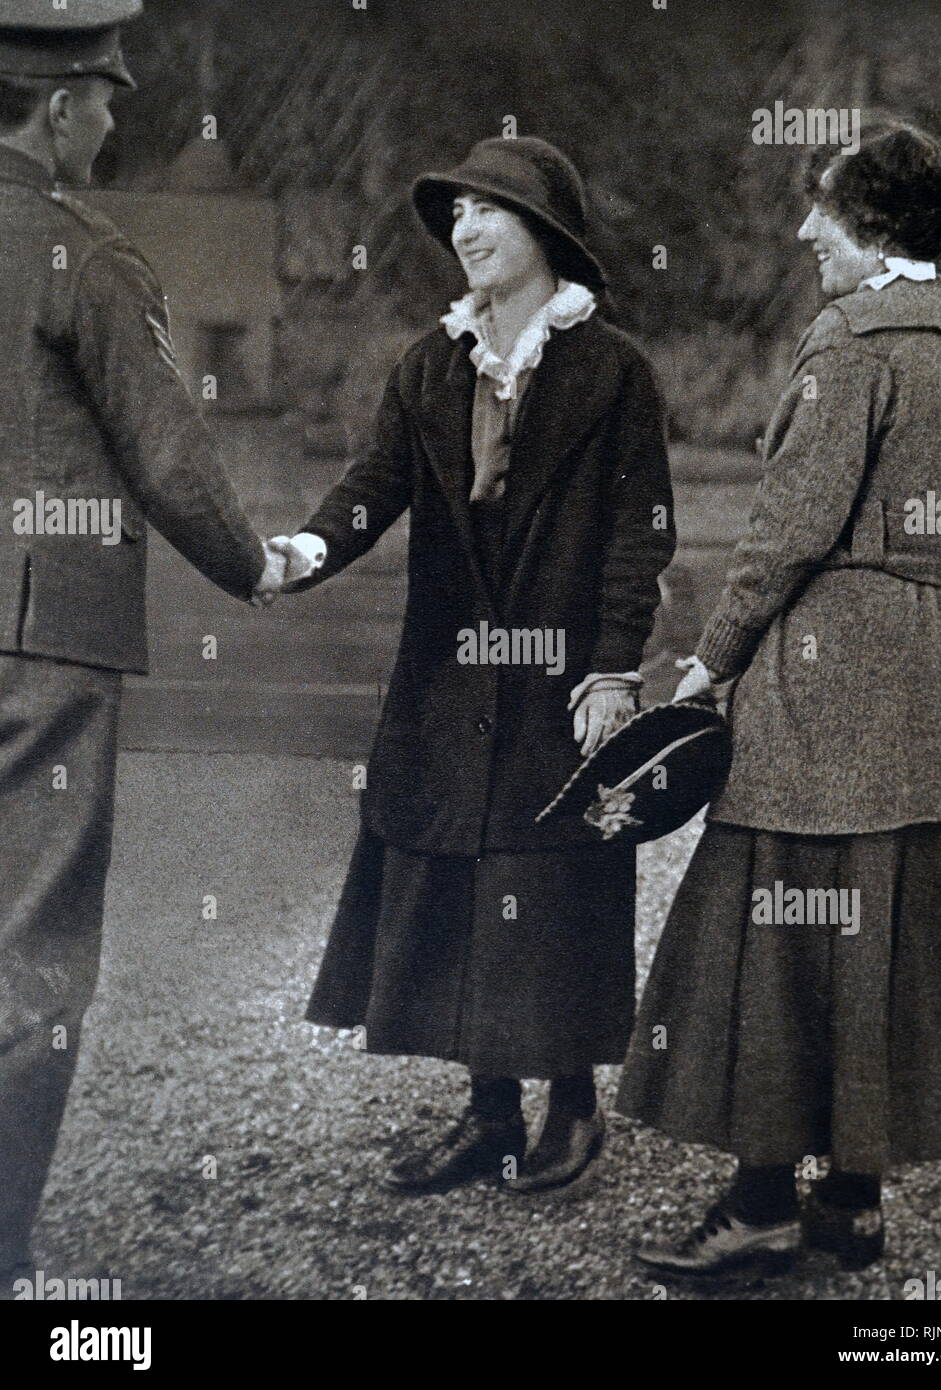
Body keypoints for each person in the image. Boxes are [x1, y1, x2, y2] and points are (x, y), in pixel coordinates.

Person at [616, 119, 941, 1279]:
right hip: (924, 674)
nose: (803, 233)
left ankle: (760, 1202)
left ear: (874, 227)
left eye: (822, 212)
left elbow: (787, 530)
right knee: (876, 927)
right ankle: (855, 1206)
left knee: (777, 925)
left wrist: (710, 661)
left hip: (823, 666)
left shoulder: (852, 340)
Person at [271, 136, 676, 1195]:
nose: (466, 232)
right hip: (451, 674)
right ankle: (491, 1114)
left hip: (558, 677)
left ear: (544, 233)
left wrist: (613, 671)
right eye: (455, 216)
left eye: (487, 212)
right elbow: (372, 486)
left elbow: (641, 531)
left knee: (552, 883)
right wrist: (307, 550)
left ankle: (575, 1104)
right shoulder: (431, 363)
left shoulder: (614, 370)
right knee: (463, 879)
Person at [0, 0, 294, 1289]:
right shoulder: (80, 253)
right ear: (58, 108)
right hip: (37, 643)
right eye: (107, 100)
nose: (117, 119)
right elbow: (172, 461)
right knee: (29, 951)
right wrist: (254, 563)